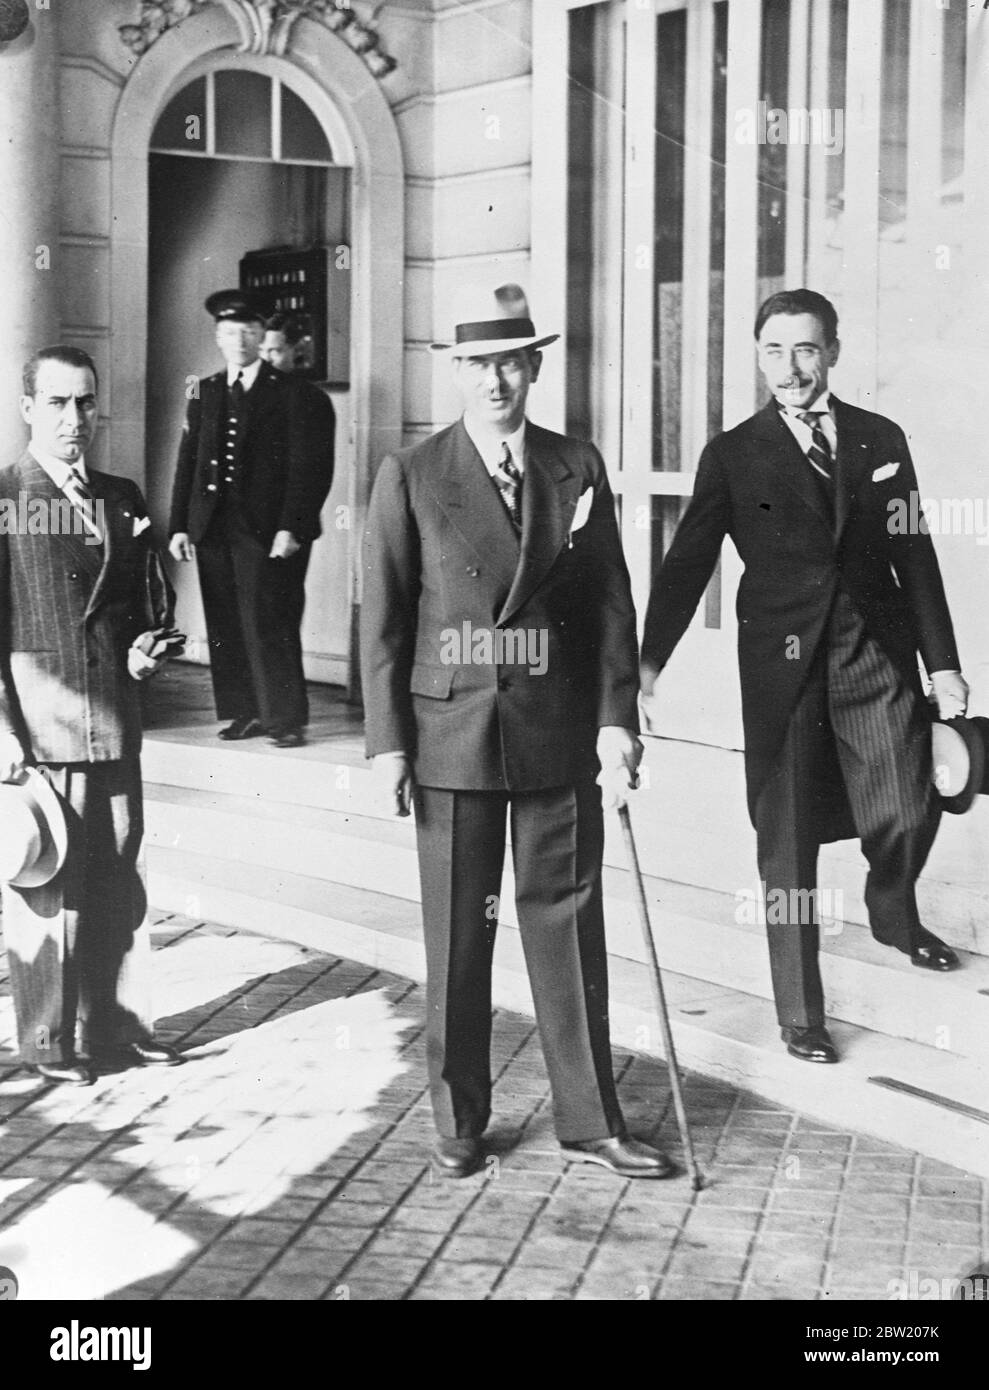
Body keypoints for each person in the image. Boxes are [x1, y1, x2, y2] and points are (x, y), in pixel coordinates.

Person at [361, 283, 672, 1179]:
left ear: (533, 367)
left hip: (559, 731)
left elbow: (612, 605)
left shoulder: (576, 466)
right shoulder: (413, 474)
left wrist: (618, 724)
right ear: (456, 375)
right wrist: (387, 744)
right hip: (451, 731)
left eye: (509, 362)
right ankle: (458, 1121)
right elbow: (382, 621)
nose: (494, 380)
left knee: (568, 927)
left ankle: (589, 1119)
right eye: (476, 365)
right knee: (458, 936)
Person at [640, 289, 968, 1065]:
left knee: (909, 799)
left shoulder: (878, 438)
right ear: (757, 355)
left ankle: (890, 908)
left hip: (871, 651)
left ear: (832, 352)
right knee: (785, 842)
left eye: (804, 349)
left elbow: (912, 552)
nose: (788, 368)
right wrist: (645, 664)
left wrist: (943, 665)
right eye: (772, 351)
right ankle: (799, 1011)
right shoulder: (733, 452)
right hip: (782, 667)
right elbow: (687, 562)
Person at [0, 345, 182, 1086]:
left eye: (85, 404)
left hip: (112, 715)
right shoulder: (10, 496)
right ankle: (50, 1042)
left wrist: (145, 649)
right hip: (41, 726)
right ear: (27, 410)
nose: (75, 420)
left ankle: (120, 1029)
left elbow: (151, 603)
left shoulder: (122, 495)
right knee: (53, 885)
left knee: (120, 882)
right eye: (58, 404)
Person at [168, 290, 333, 749]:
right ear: (218, 337)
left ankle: (284, 719)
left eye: (248, 331)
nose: (238, 339)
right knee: (224, 622)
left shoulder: (296, 396)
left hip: (269, 530)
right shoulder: (205, 390)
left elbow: (310, 469)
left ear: (262, 336)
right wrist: (180, 524)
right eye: (229, 332)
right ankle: (243, 713)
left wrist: (293, 526)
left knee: (271, 619)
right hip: (214, 526)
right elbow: (190, 461)